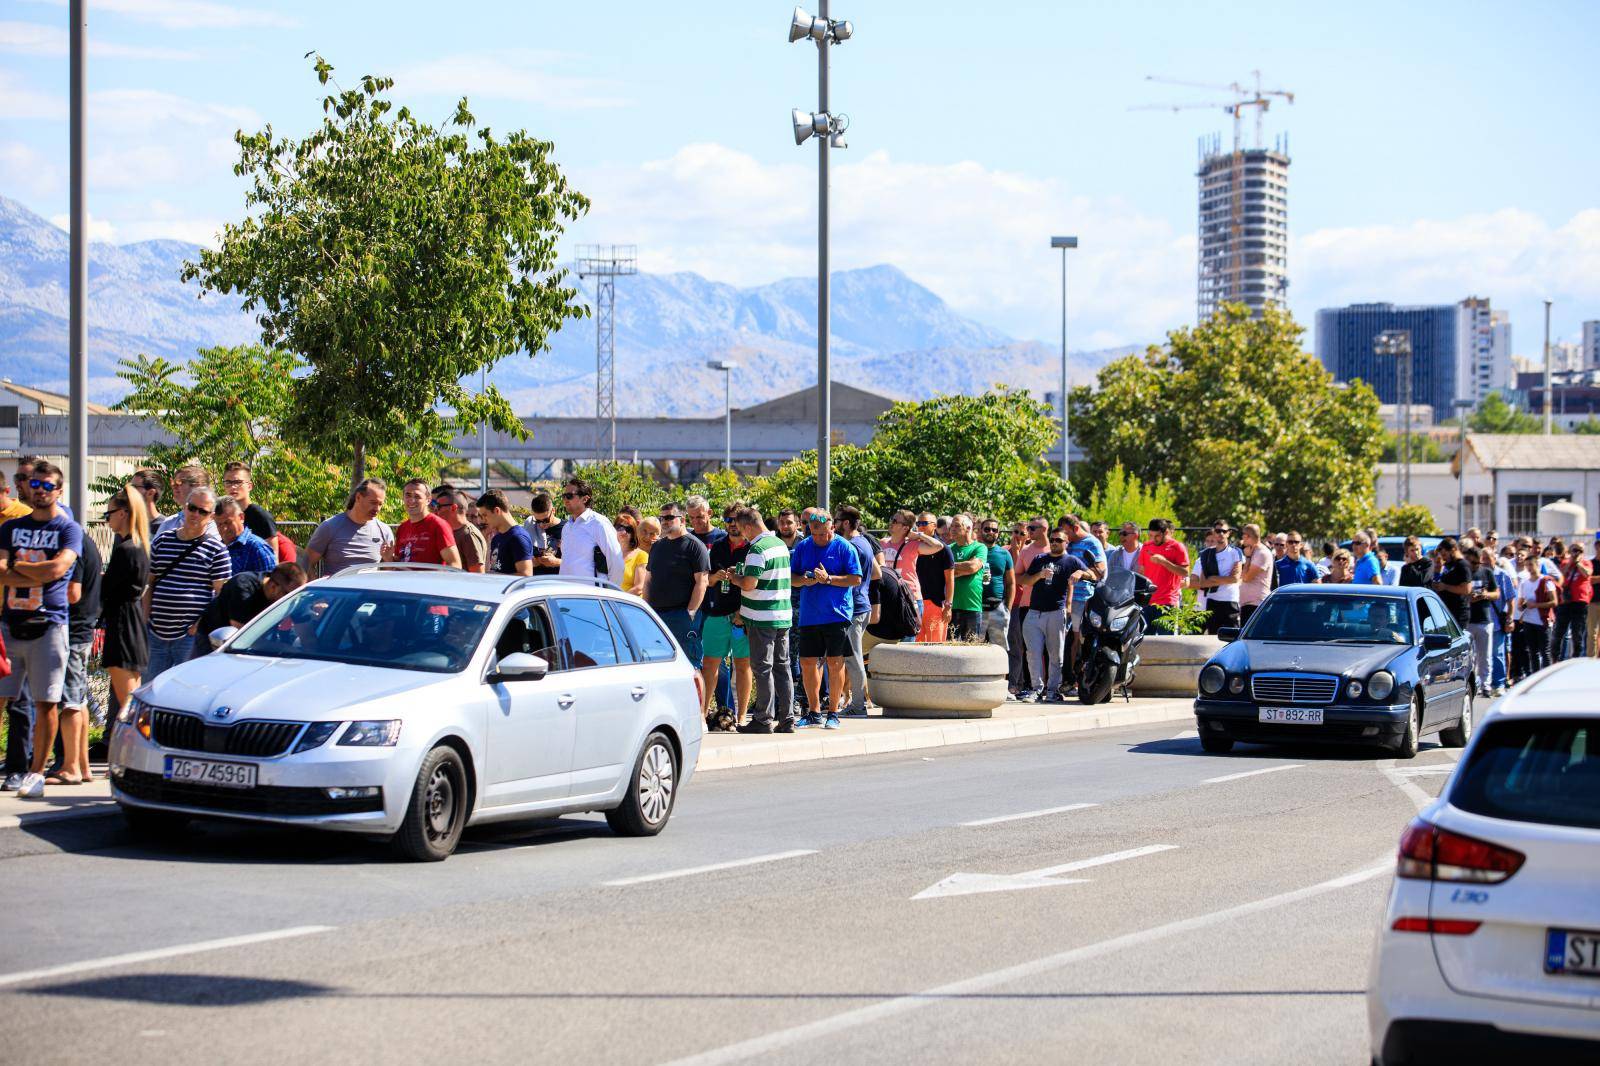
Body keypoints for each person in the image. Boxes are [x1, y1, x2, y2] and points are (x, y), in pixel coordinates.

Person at [0, 461, 81, 798]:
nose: (39, 491)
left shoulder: (68, 529)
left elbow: (59, 569)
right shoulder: (10, 528)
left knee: (46, 702)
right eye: (35, 484)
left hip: (49, 625)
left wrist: (18, 567)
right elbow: (1, 572)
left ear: (59, 491)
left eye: (47, 486)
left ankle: (35, 773)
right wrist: (33, 568)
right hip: (9, 623)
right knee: (2, 696)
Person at [145, 486, 231, 678]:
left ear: (210, 516)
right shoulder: (162, 541)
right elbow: (149, 584)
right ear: (185, 507)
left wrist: (199, 625)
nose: (195, 514)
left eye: (203, 511)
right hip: (156, 633)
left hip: (189, 636)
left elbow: (221, 596)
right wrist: (146, 621)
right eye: (192, 508)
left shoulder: (217, 550)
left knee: (181, 688)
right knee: (152, 688)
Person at [789, 508, 862, 729]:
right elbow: (792, 578)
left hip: (837, 614)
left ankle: (833, 712)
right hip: (810, 615)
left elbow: (856, 579)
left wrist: (828, 579)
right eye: (814, 533)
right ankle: (813, 712)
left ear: (832, 526)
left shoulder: (844, 547)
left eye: (823, 534)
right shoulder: (803, 546)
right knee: (808, 663)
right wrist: (805, 580)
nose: (819, 538)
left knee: (835, 662)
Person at [733, 508, 794, 734]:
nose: (742, 536)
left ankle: (763, 719)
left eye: (741, 531)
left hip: (762, 617)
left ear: (748, 526)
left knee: (762, 668)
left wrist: (734, 577)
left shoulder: (757, 549)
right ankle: (787, 719)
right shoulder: (779, 544)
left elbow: (749, 584)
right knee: (782, 667)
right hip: (782, 615)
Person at [51, 527, 102, 784]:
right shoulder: (84, 540)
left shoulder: (75, 543)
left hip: (75, 629)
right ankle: (82, 766)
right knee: (78, 699)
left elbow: (73, 593)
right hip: (81, 628)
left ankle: (71, 767)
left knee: (70, 699)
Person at [100, 484, 151, 721]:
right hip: (132, 623)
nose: (107, 520)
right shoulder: (139, 546)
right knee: (132, 703)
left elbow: (109, 589)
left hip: (122, 625)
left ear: (122, 513)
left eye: (109, 514)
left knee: (129, 709)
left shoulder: (127, 549)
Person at [1017, 529, 1085, 702]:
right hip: (1034, 612)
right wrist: (1039, 575)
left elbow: (1093, 574)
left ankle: (1053, 690)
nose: (1054, 542)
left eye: (1059, 540)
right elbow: (1023, 580)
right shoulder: (1040, 559)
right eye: (1053, 540)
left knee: (1056, 654)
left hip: (1056, 612)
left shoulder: (1071, 560)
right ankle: (1036, 689)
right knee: (1032, 653)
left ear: (1066, 543)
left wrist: (1080, 573)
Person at [700, 507, 753, 728]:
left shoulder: (753, 548)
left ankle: (742, 715)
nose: (732, 524)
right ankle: (702, 714)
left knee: (743, 665)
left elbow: (755, 585)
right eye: (728, 520)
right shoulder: (718, 547)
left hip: (744, 615)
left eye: (736, 520)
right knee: (710, 664)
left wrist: (742, 612)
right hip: (717, 612)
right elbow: (706, 580)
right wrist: (715, 577)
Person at [644, 501, 711, 671]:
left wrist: (690, 613)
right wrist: (647, 610)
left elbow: (702, 582)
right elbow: (648, 580)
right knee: (660, 665)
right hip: (657, 616)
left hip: (682, 616)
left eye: (669, 517)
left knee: (689, 667)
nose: (664, 521)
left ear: (682, 520)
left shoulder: (695, 546)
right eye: (662, 518)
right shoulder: (657, 546)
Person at [193, 561, 309, 654]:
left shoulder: (294, 596)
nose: (294, 600)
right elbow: (243, 637)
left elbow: (308, 637)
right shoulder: (242, 586)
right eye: (289, 595)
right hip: (214, 641)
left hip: (260, 644)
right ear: (273, 586)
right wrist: (284, 648)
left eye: (299, 595)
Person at [833, 505, 880, 716]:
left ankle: (858, 706)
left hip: (855, 608)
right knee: (852, 657)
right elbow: (877, 573)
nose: (832, 525)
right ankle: (855, 703)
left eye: (835, 521)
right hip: (860, 606)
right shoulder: (864, 542)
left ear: (845, 523)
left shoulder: (853, 545)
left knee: (854, 658)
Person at [305, 478, 393, 576]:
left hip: (370, 590)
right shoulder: (330, 526)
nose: (377, 509)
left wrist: (389, 560)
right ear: (358, 497)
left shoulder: (384, 531)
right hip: (338, 590)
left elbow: (389, 573)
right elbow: (305, 564)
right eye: (373, 502)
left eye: (380, 504)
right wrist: (317, 586)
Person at [1062, 514, 1108, 690]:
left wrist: (1082, 572)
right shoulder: (1068, 544)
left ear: (1075, 529)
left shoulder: (1092, 543)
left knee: (1077, 639)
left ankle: (1076, 681)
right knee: (1065, 641)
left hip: (1083, 599)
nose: (1065, 537)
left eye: (1067, 532)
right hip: (1064, 598)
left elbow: (1100, 572)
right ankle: (1065, 680)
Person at [557, 477, 624, 581]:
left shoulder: (599, 523)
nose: (565, 500)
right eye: (564, 496)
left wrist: (611, 592)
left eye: (569, 496)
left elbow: (616, 561)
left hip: (591, 595)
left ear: (585, 499)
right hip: (566, 593)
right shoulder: (566, 527)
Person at [389, 478, 461, 568]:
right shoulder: (402, 528)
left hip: (430, 582)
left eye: (417, 496)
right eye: (408, 495)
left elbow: (455, 565)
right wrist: (388, 558)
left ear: (428, 500)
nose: (412, 500)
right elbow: (399, 564)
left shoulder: (438, 525)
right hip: (404, 581)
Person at [1139, 519, 1190, 634]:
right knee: (1145, 642)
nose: (1153, 539)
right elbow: (1141, 571)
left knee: (1167, 644)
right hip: (1148, 602)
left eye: (1156, 536)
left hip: (1168, 602)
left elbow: (1185, 572)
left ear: (1165, 532)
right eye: (1150, 535)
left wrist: (1164, 562)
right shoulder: (1146, 546)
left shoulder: (1177, 547)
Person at [1189, 522, 1242, 634]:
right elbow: (1202, 582)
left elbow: (1235, 578)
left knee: (1231, 636)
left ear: (1229, 533)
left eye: (1224, 531)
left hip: (1230, 600)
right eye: (1218, 531)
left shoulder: (1235, 552)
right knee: (1213, 637)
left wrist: (1213, 577)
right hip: (1212, 601)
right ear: (1214, 532)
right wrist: (1224, 578)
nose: (1221, 534)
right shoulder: (1206, 554)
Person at [911, 512, 956, 643]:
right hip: (916, 603)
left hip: (935, 604)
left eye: (924, 523)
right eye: (918, 524)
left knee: (935, 647)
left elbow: (950, 580)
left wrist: (948, 606)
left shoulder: (943, 549)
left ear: (934, 526)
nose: (921, 527)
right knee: (913, 647)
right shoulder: (913, 547)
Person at [1463, 545, 1499, 698]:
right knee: (1469, 656)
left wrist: (1485, 595)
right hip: (1468, 621)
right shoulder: (1463, 574)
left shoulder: (1487, 573)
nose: (1474, 566)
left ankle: (1486, 685)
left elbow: (1496, 593)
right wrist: (1469, 597)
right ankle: (1469, 684)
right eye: (1471, 563)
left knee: (1485, 656)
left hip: (1484, 620)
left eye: (1477, 563)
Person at [946, 514, 989, 642]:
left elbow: (973, 567)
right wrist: (962, 569)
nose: (952, 529)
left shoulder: (979, 547)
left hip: (972, 607)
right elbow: (941, 570)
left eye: (957, 525)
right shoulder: (948, 549)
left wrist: (951, 568)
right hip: (950, 607)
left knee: (971, 649)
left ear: (969, 528)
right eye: (952, 526)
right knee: (949, 648)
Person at [1513, 552, 1554, 681]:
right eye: (1527, 565)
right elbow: (1520, 604)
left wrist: (1535, 605)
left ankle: (1547, 679)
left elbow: (1554, 602)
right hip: (1528, 621)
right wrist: (1522, 606)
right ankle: (1535, 679)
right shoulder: (1524, 583)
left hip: (1542, 621)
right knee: (1532, 652)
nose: (1529, 568)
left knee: (1545, 651)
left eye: (1531, 565)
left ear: (1538, 565)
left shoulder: (1546, 581)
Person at [978, 518, 1015, 653]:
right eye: (987, 529)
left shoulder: (1004, 554)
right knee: (975, 650)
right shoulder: (975, 550)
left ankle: (1001, 676)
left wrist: (1008, 609)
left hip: (998, 607)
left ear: (998, 533)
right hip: (976, 607)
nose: (990, 532)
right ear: (980, 531)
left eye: (994, 530)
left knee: (1000, 651)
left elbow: (1011, 583)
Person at [214, 497, 277, 576]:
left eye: (228, 522)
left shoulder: (258, 548)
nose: (224, 528)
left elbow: (271, 584)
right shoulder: (217, 549)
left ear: (241, 517)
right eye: (219, 524)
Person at [220, 462, 277, 547]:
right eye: (228, 482)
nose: (233, 487)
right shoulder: (221, 516)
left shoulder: (261, 517)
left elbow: (273, 556)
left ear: (249, 486)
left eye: (238, 482)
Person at [479, 490, 534, 576]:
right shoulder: (496, 539)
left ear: (497, 511)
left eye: (485, 515)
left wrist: (495, 577)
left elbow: (526, 575)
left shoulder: (518, 537)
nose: (483, 520)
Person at [432, 485, 486, 573]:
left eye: (438, 506)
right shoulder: (451, 531)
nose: (435, 510)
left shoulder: (468, 535)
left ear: (453, 508)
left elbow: (478, 575)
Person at [1554, 542, 1592, 661]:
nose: (1577, 553)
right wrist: (1571, 562)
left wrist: (1578, 563)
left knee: (1578, 633)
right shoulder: (1565, 563)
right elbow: (1561, 574)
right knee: (1559, 632)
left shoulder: (1586, 563)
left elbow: (1587, 574)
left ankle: (1575, 658)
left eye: (1580, 551)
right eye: (1574, 550)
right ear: (1570, 551)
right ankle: (1556, 659)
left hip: (1580, 602)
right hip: (1565, 602)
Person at [155, 465, 214, 539]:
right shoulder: (169, 523)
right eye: (173, 483)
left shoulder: (219, 523)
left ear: (198, 486)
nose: (174, 487)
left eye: (180, 482)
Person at [1429, 538, 1472, 630]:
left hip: (1458, 613)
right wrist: (1437, 571)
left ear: (1453, 550)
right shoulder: (1448, 565)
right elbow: (1439, 582)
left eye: (1445, 554)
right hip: (1446, 610)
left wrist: (1445, 587)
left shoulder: (1462, 565)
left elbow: (1466, 589)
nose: (1443, 557)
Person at [1237, 523, 1273, 625]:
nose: (1242, 538)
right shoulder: (1253, 550)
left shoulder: (1262, 553)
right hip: (1248, 604)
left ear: (1247, 536)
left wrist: (1248, 558)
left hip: (1256, 604)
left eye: (1243, 535)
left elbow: (1246, 577)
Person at [522, 492, 563, 572]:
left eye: (546, 520)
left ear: (553, 511)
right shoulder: (530, 525)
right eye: (537, 521)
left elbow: (576, 562)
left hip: (558, 581)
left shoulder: (567, 528)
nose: (542, 524)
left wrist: (557, 562)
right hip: (534, 580)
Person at [616, 516, 649, 598]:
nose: (623, 532)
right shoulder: (608, 554)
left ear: (633, 532)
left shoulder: (641, 555)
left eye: (628, 529)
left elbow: (639, 588)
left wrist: (618, 598)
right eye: (619, 528)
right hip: (607, 605)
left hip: (629, 606)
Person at [630, 517, 659, 597]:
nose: (647, 537)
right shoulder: (626, 549)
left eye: (652, 534)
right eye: (644, 531)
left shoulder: (660, 554)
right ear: (637, 530)